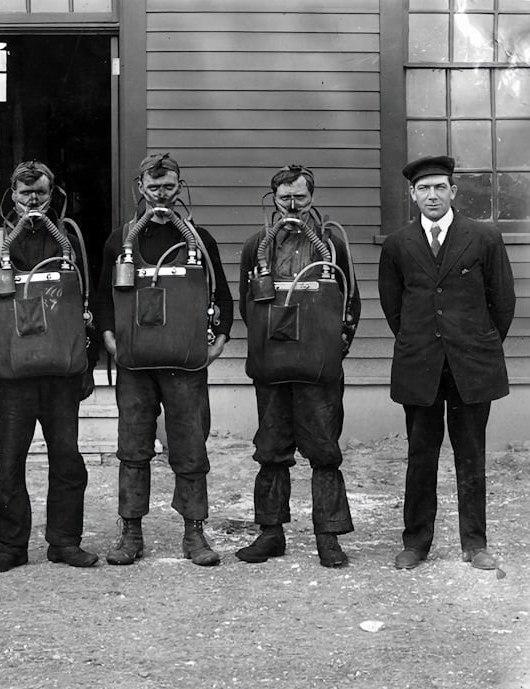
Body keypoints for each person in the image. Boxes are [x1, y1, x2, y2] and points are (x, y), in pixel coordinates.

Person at [94, 153, 233, 567]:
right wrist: (108, 339)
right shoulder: (122, 240)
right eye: (153, 188)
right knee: (133, 448)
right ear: (140, 188)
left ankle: (194, 532)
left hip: (185, 365)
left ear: (179, 187)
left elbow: (221, 293)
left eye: (168, 187)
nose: (161, 195)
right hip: (136, 365)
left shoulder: (198, 239)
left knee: (189, 447)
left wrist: (219, 341)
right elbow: (102, 297)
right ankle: (131, 531)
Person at [378, 155, 515, 571]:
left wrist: (475, 343)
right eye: (424, 189)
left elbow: (502, 301)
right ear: (413, 195)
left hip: (471, 366)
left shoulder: (483, 237)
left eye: (440, 187)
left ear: (453, 192)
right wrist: (423, 343)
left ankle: (475, 543)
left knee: (471, 453)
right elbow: (393, 308)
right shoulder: (398, 244)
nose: (432, 195)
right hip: (420, 366)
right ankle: (416, 543)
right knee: (421, 455)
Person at [0, 160, 99, 573]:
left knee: (67, 459)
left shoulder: (70, 242)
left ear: (52, 194)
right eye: (25, 194)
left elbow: (87, 306)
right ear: (12, 195)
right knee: (10, 462)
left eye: (40, 193)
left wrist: (87, 366)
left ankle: (64, 542)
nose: (33, 201)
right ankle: (10, 546)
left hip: (61, 374)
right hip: (11, 379)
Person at [236, 164, 361, 568]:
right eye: (285, 198)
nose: (292, 205)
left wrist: (333, 351)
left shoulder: (333, 243)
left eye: (300, 198)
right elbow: (246, 304)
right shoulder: (258, 245)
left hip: (319, 369)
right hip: (273, 367)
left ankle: (329, 536)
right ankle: (271, 534)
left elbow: (350, 301)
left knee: (324, 450)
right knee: (270, 450)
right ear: (274, 199)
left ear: (313, 198)